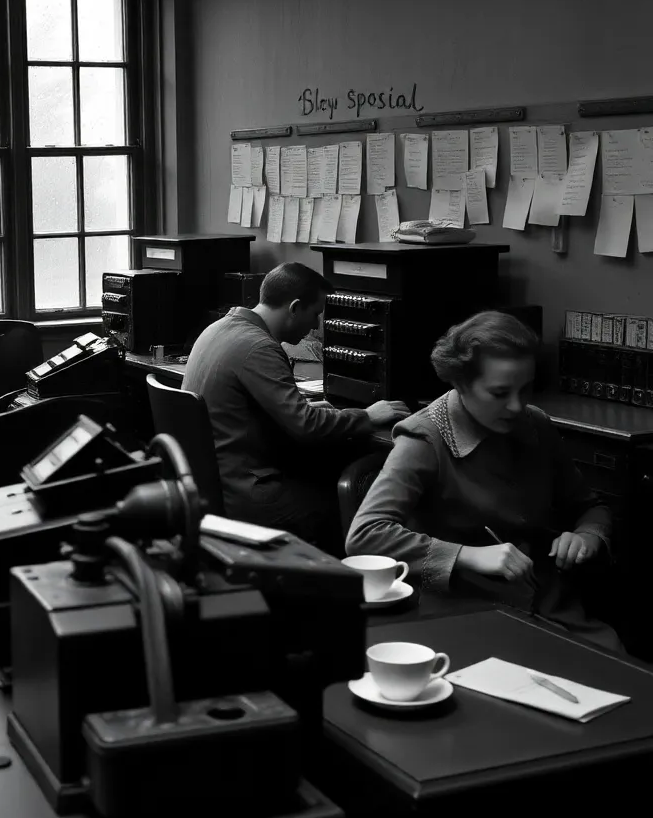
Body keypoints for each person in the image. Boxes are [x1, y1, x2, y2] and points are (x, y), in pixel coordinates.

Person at [346, 310, 621, 651]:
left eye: (526, 389)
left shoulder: (535, 424)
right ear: (461, 384)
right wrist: (467, 555)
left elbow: (590, 506)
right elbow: (364, 535)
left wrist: (587, 535)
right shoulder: (425, 438)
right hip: (467, 610)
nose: (517, 405)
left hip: (551, 606)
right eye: (500, 393)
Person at [182, 262, 409, 550]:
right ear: (294, 307)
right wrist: (367, 416)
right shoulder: (259, 347)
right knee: (361, 503)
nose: (316, 325)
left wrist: (317, 412)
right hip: (250, 494)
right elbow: (306, 426)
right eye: (315, 314)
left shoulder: (218, 329)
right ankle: (350, 586)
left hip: (215, 485)